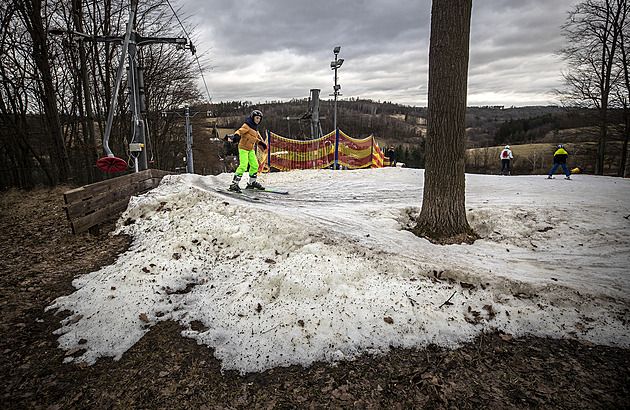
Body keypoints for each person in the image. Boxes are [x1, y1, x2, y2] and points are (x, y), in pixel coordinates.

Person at [228, 110, 268, 192]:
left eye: (259, 119)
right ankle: (234, 184)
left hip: (251, 149)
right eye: (257, 118)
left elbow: (253, 137)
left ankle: (251, 183)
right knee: (243, 166)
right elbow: (239, 131)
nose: (258, 120)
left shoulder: (255, 128)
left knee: (255, 165)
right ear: (253, 118)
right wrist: (236, 136)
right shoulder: (247, 125)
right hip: (243, 148)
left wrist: (261, 143)